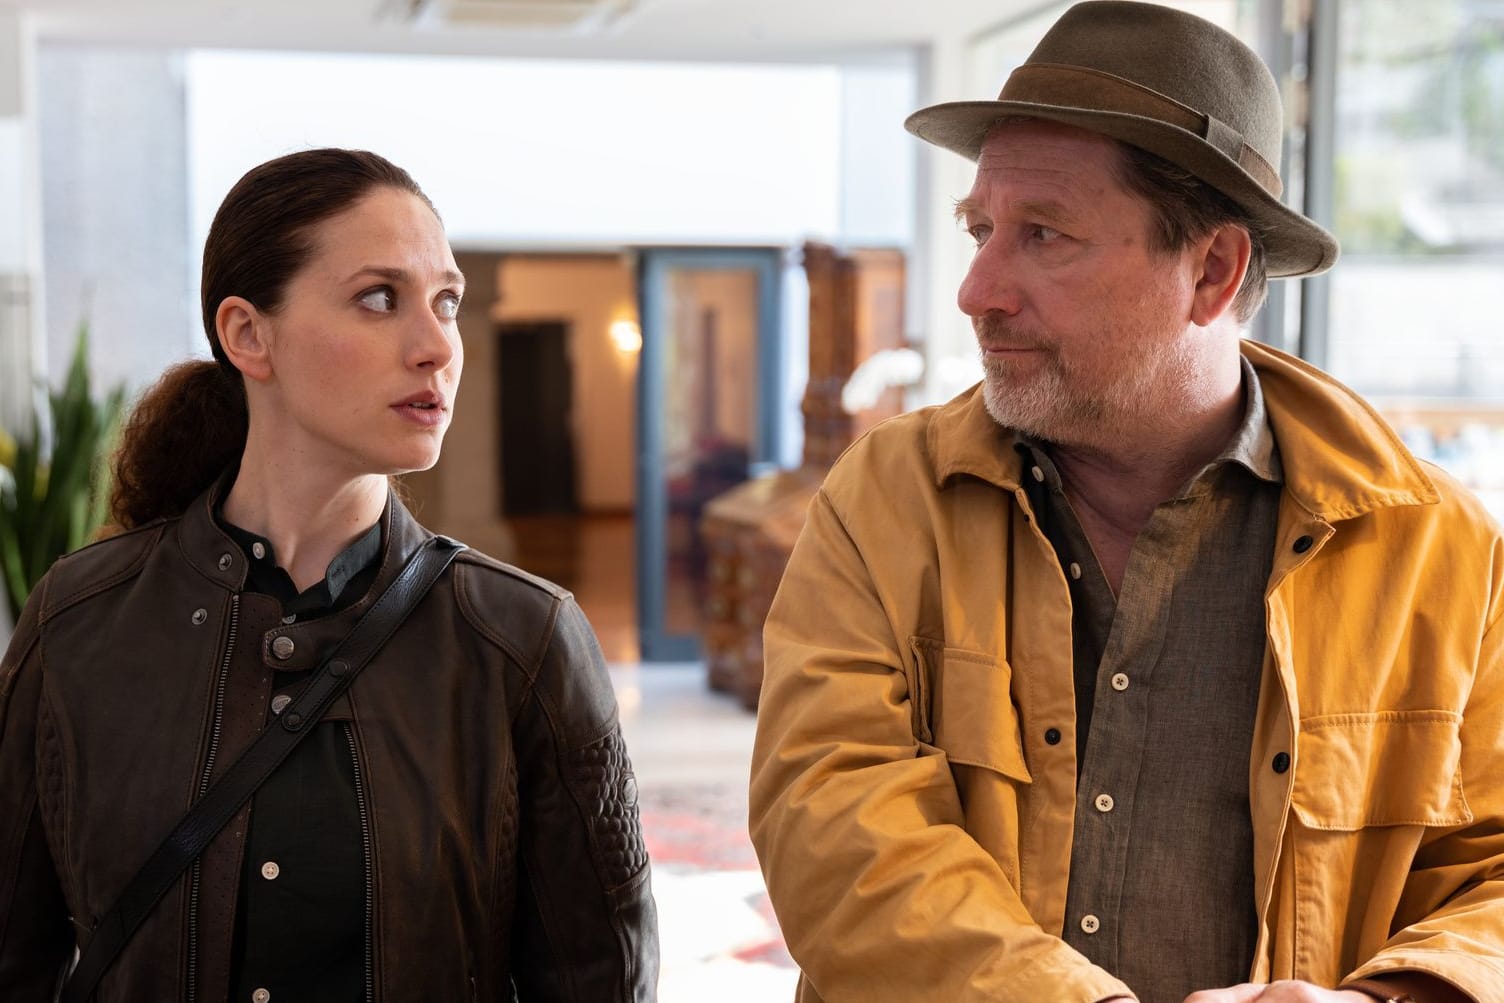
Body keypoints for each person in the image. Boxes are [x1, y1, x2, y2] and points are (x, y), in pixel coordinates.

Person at [748, 4, 1502, 1003]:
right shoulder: (887, 501)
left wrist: (1381, 1000)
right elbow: (831, 824)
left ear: (1212, 270)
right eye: (981, 229)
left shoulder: (1438, 552)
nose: (977, 288)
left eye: (1042, 235)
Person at [0, 148, 658, 1001]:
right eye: (379, 298)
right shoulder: (80, 621)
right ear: (248, 334)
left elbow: (601, 980)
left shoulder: (521, 640)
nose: (436, 347)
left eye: (446, 302)